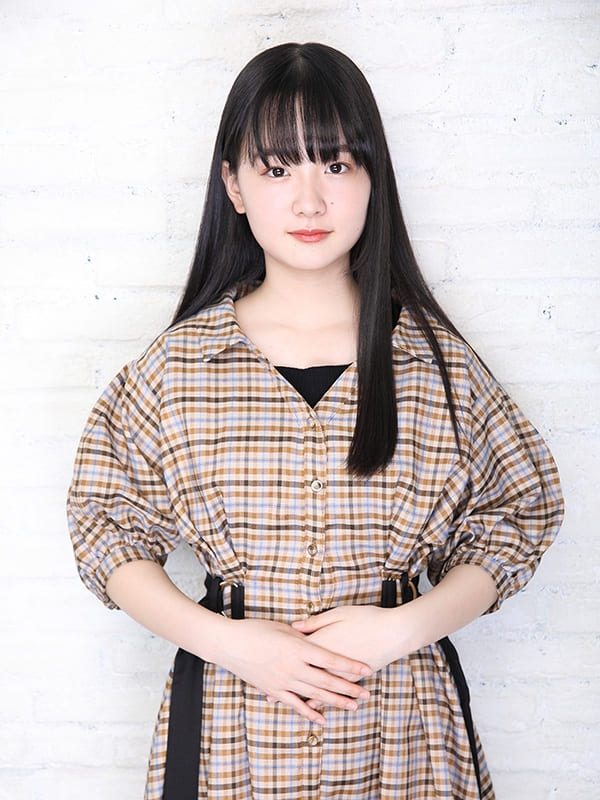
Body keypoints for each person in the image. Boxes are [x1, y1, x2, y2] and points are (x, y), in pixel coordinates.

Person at [67, 42, 564, 800]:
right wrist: (229, 643)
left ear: (372, 178)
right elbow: (105, 527)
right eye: (276, 169)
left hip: (404, 727)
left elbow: (517, 516)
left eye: (336, 165)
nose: (309, 201)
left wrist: (404, 627)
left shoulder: (437, 367)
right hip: (232, 724)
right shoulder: (176, 368)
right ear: (233, 185)